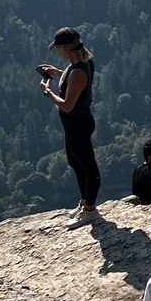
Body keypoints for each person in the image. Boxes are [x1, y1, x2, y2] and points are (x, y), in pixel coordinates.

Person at [39, 26, 100, 228]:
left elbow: (67, 105)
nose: (57, 52)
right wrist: (58, 73)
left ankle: (90, 210)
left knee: (89, 168)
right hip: (75, 124)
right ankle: (84, 203)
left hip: (78, 124)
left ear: (64, 48)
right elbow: (73, 78)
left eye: (57, 48)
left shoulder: (77, 72)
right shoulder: (81, 63)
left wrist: (47, 92)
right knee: (75, 162)